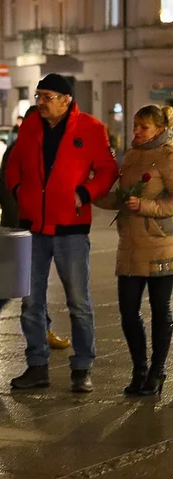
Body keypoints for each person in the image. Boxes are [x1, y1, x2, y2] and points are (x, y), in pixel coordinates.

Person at [6, 73, 119, 393]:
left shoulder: (91, 129)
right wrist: (18, 190)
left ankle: (82, 367)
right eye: (38, 96)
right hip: (35, 228)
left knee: (78, 302)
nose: (40, 102)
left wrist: (85, 192)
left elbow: (109, 170)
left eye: (47, 97)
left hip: (71, 228)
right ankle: (36, 365)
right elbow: (13, 163)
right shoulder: (30, 127)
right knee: (31, 302)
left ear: (66, 99)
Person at [95, 105, 173, 396]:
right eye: (135, 126)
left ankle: (157, 371)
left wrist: (146, 207)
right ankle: (139, 368)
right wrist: (93, 194)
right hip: (129, 245)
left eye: (143, 127)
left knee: (160, 311)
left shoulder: (167, 155)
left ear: (159, 129)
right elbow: (122, 196)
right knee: (128, 311)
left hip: (161, 245)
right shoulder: (131, 155)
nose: (137, 132)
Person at [0, 105, 71, 352]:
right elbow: (5, 187)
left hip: (34, 228)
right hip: (21, 228)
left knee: (33, 282)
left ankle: (43, 328)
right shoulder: (18, 150)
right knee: (14, 283)